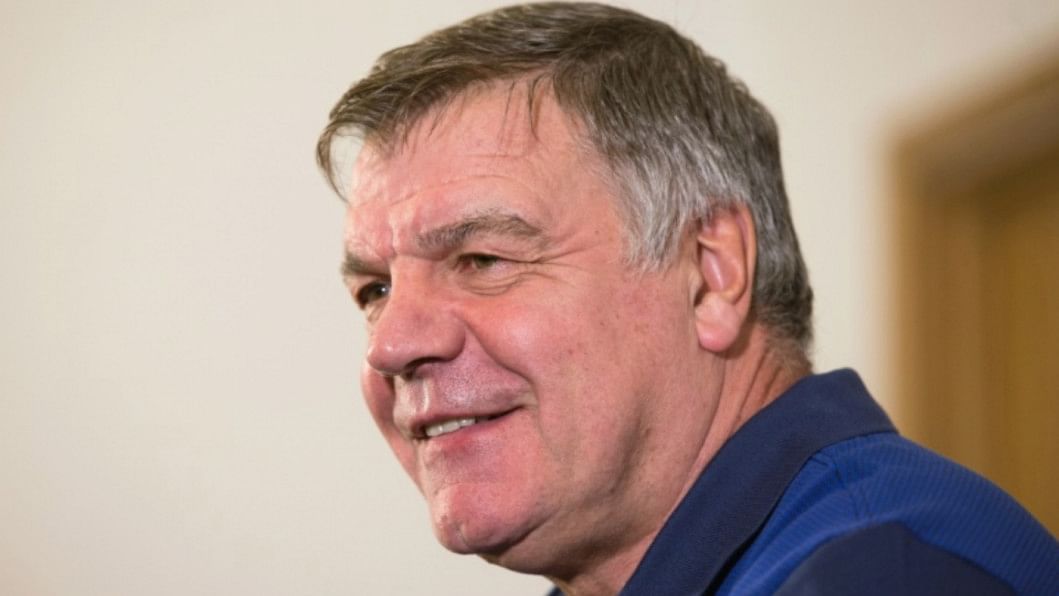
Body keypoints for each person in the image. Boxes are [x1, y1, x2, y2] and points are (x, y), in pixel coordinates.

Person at [316, 3, 1059, 594]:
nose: (390, 344)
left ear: (710, 275)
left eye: (482, 260)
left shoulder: (880, 574)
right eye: (375, 289)